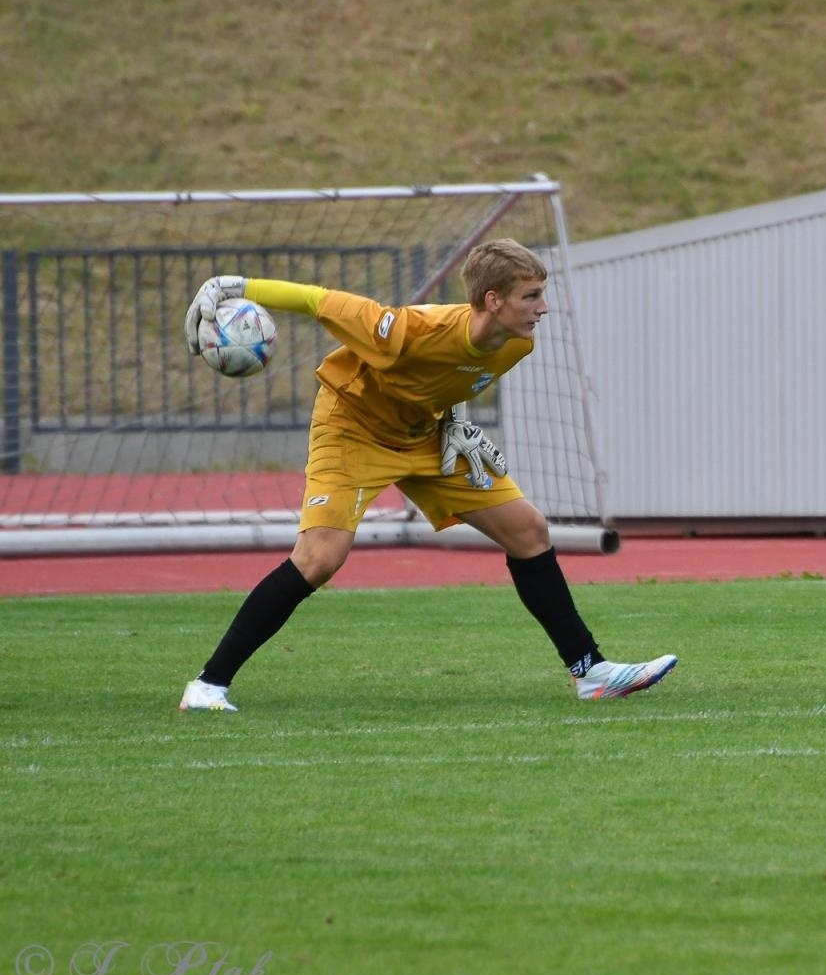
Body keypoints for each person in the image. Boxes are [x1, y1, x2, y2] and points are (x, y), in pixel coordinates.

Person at [177, 237, 675, 711]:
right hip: (353, 427)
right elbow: (317, 299)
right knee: (319, 559)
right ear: (493, 299)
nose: (543, 307)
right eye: (532, 296)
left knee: (528, 530)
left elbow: (452, 372)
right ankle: (208, 684)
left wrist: (458, 421)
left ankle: (591, 673)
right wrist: (231, 286)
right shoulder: (402, 329)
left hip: (425, 435)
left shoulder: (517, 343)